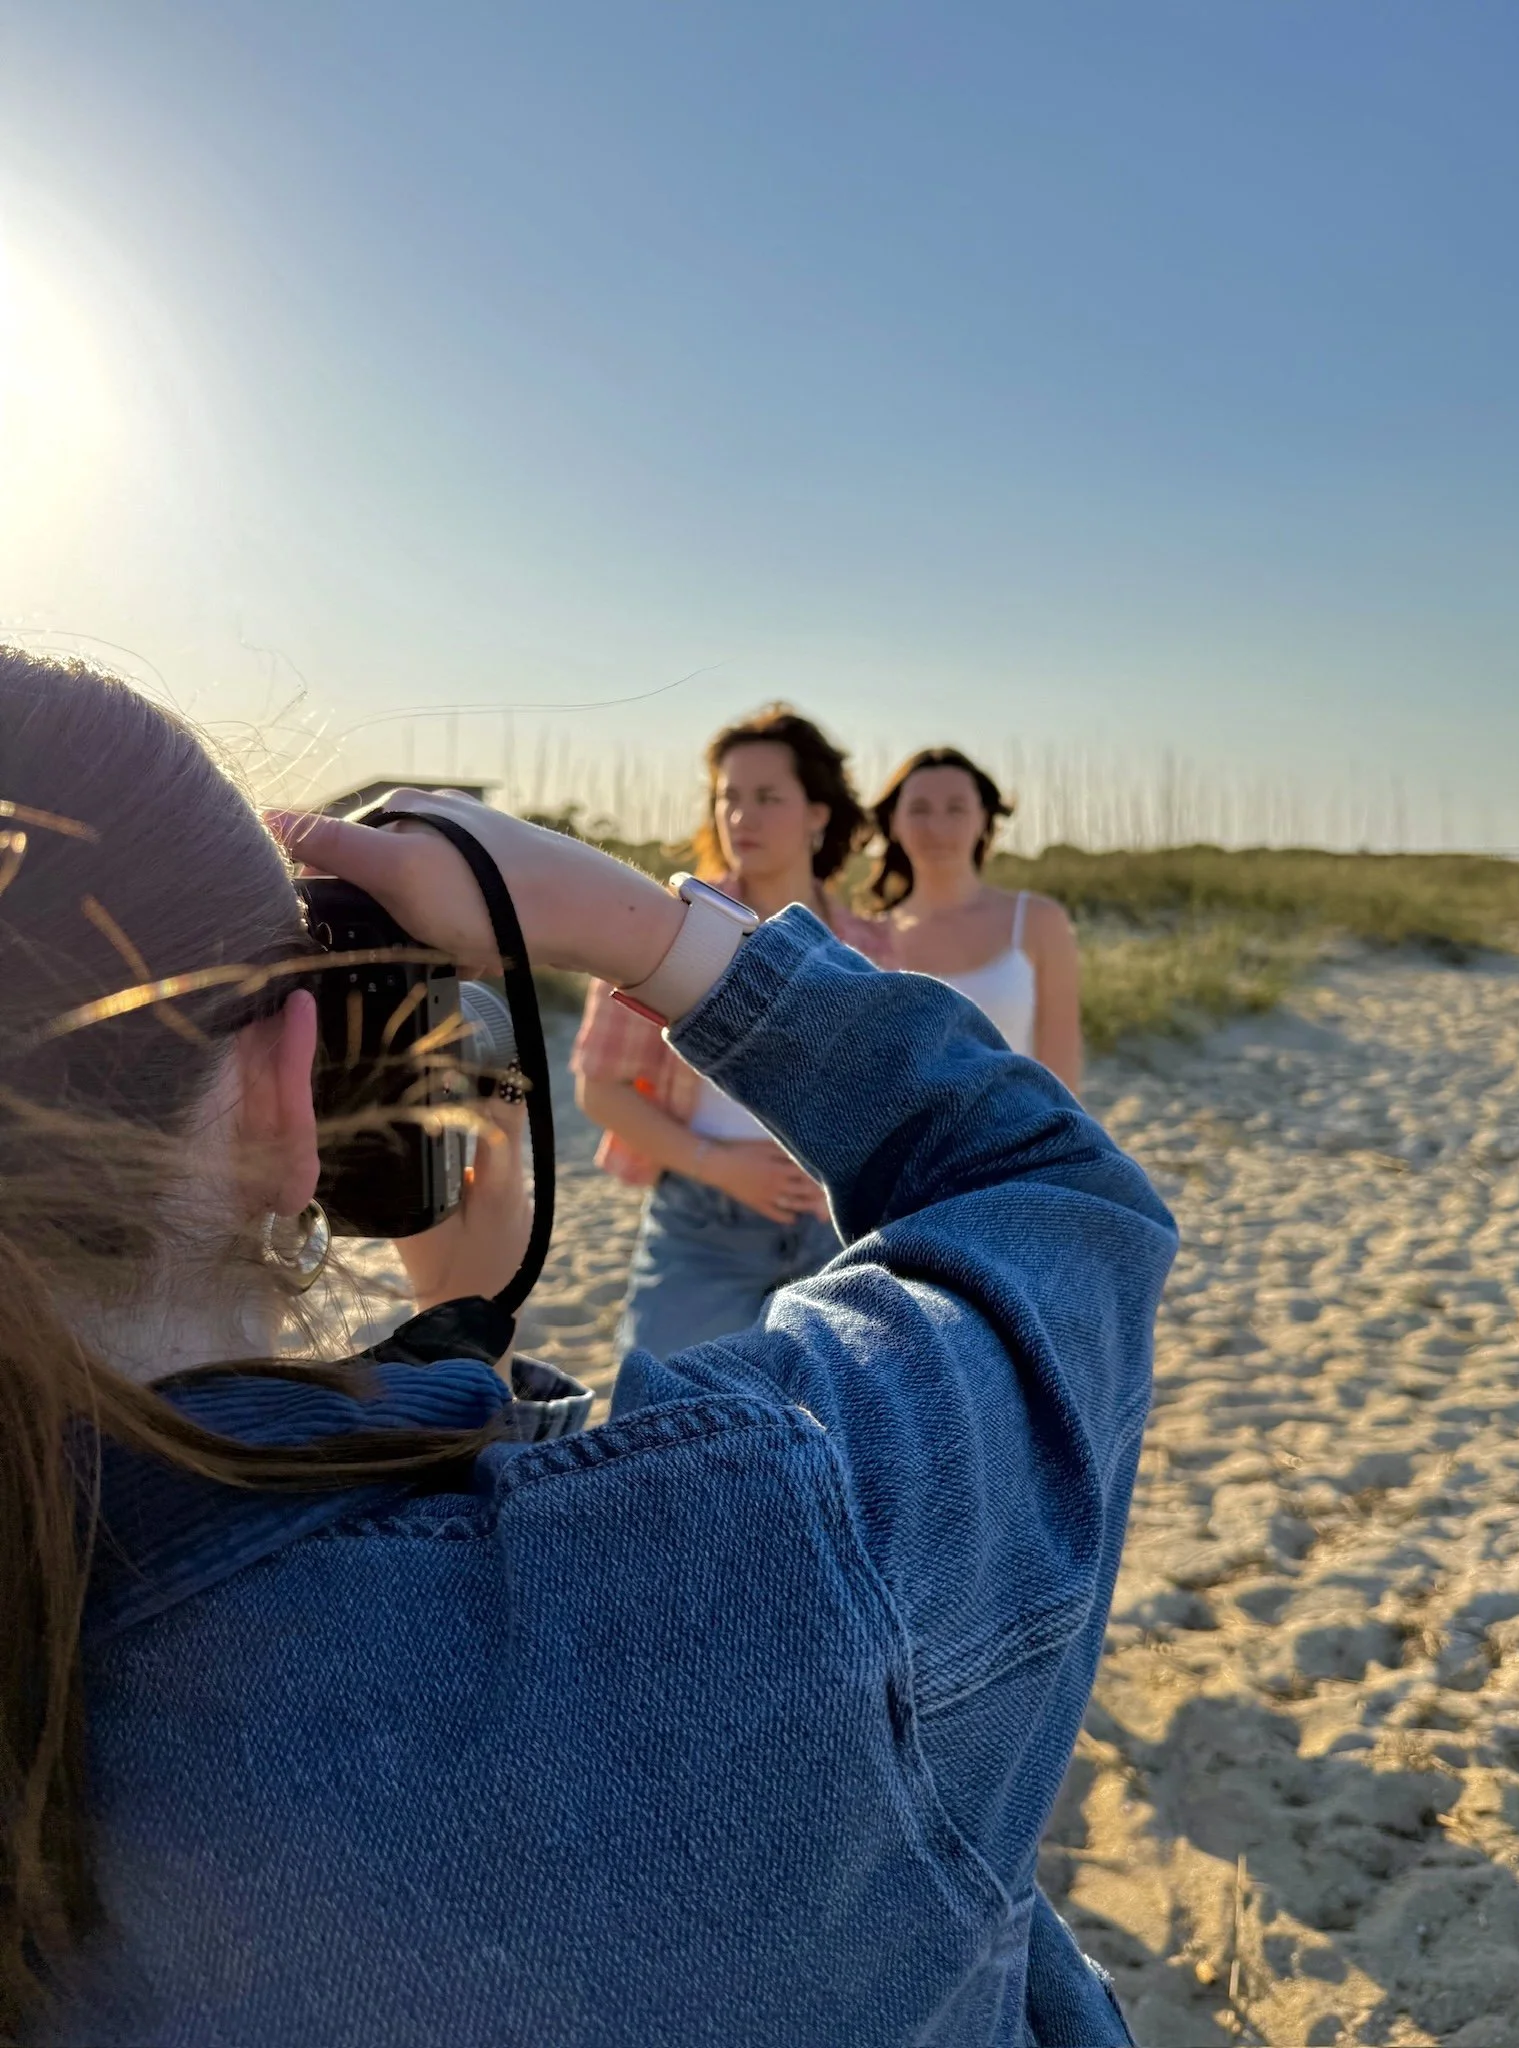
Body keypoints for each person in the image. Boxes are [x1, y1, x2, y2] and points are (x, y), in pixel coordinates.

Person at [2, 648, 1175, 2048]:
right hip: (715, 1248)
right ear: (283, 1093)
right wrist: (635, 925)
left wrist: (447, 1365)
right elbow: (1053, 1200)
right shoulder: (749, 1554)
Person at [572, 704, 892, 1359]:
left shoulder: (871, 946)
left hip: (846, 1232)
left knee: (837, 1446)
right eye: (729, 798)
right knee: (663, 1430)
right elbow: (600, 1089)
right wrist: (717, 1165)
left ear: (818, 812)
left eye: (768, 797)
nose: (742, 817)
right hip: (701, 1224)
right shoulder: (663, 929)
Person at [871, 747, 1083, 1089]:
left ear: (984, 819)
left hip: (1018, 1138)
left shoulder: (1038, 922)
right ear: (894, 822)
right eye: (919, 809)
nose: (937, 827)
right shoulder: (868, 938)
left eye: (955, 809)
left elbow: (1063, 1082)